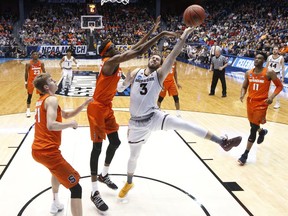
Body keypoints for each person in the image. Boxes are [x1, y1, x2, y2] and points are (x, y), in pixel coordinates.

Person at [117, 27, 242, 198]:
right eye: (153, 57)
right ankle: (129, 182)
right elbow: (121, 86)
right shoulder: (135, 72)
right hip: (136, 123)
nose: (155, 59)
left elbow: (174, 54)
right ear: (148, 59)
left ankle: (222, 142)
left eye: (158, 59)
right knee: (134, 156)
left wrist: (183, 37)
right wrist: (120, 85)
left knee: (185, 124)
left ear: (161, 65)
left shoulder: (160, 75)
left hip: (154, 117)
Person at [86, 16, 177, 212]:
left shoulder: (112, 59)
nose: (117, 48)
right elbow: (139, 51)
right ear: (107, 51)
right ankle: (94, 191)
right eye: (113, 47)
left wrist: (151, 30)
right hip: (96, 108)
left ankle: (104, 174)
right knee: (97, 148)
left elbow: (135, 47)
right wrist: (160, 34)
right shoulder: (110, 62)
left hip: (107, 106)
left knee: (116, 142)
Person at [32, 73, 92, 216]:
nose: (55, 80)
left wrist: (84, 105)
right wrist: (71, 125)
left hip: (37, 150)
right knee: (76, 187)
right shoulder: (52, 99)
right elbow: (51, 125)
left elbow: (66, 115)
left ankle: (55, 201)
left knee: (55, 172)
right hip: (48, 151)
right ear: (47, 87)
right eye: (52, 80)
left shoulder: (42, 100)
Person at [238, 53, 283, 166]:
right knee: (252, 124)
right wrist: (242, 94)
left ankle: (245, 154)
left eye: (260, 58)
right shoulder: (248, 73)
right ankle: (262, 132)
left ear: (263, 61)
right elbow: (244, 86)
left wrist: (271, 97)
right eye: (256, 58)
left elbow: (279, 86)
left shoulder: (269, 72)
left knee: (252, 129)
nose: (257, 60)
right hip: (250, 102)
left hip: (262, 103)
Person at [157, 50, 182, 117]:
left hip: (171, 82)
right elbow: (159, 73)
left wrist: (177, 83)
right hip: (164, 83)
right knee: (160, 98)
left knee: (176, 97)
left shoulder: (174, 61)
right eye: (167, 52)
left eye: (169, 52)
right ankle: (158, 112)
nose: (168, 54)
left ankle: (178, 113)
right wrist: (160, 83)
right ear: (165, 54)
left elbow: (175, 72)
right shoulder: (162, 62)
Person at [25, 51, 46, 117]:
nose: (35, 55)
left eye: (36, 54)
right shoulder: (28, 64)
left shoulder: (41, 63)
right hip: (31, 81)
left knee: (42, 95)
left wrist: (45, 80)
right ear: (32, 55)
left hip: (38, 81)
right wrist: (25, 82)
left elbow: (44, 72)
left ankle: (40, 109)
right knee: (29, 96)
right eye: (34, 54)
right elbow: (26, 73)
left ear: (38, 55)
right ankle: (28, 110)